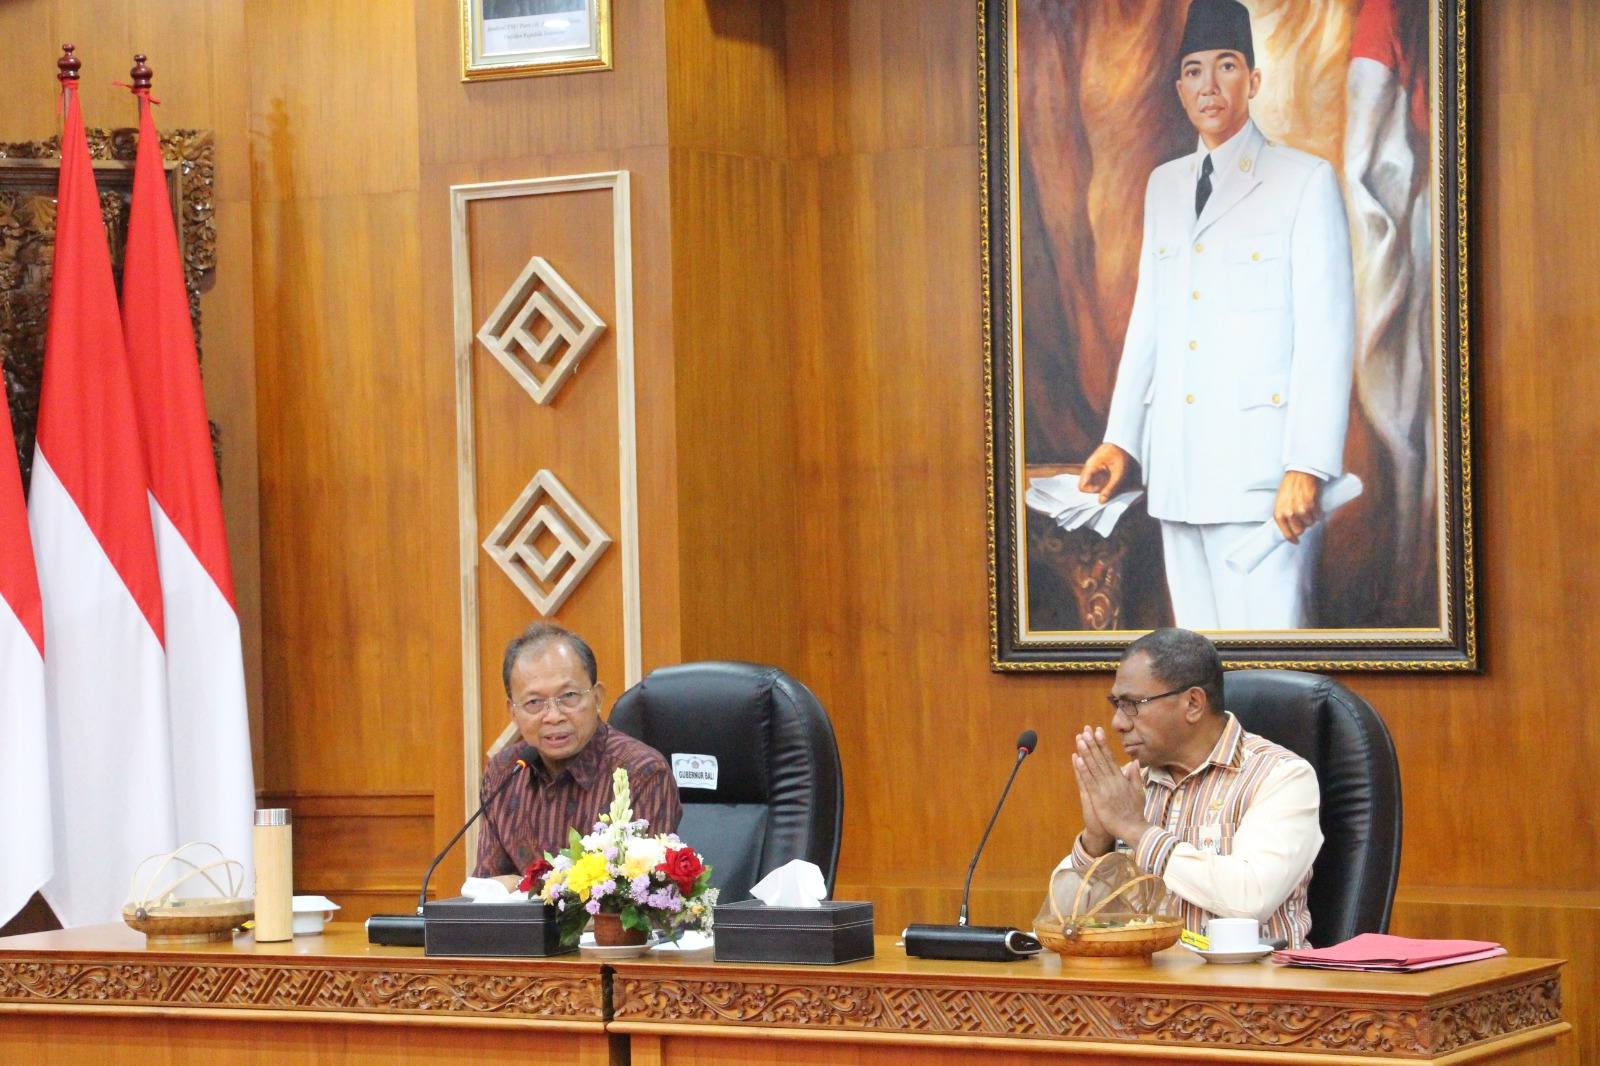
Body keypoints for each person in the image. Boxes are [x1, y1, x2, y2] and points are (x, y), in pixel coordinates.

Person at [1077, 0, 1355, 630]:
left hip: (1265, 483)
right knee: (1198, 670)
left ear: (1253, 81)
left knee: (1271, 664)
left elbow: (1327, 334)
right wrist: (1122, 438)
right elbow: (1151, 320)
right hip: (1179, 474)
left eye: (1226, 66)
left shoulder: (1303, 181)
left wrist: (1307, 464)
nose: (1209, 86)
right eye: (1194, 71)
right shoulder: (1165, 186)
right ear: (1179, 89)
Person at [1058, 628, 1322, 947]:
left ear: (1193, 703)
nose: (1118, 722)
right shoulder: (1129, 787)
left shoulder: (1281, 776)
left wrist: (1137, 831)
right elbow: (1063, 922)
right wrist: (1095, 840)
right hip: (1144, 977)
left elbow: (1251, 898)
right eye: (1116, 703)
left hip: (1253, 978)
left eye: (1132, 704)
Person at [473, 622, 682, 883]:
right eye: (534, 702)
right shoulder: (505, 771)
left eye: (569, 696)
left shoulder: (641, 772)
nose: (553, 716)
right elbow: (488, 890)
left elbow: (638, 892)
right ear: (513, 712)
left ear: (597, 697)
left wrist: (527, 888)